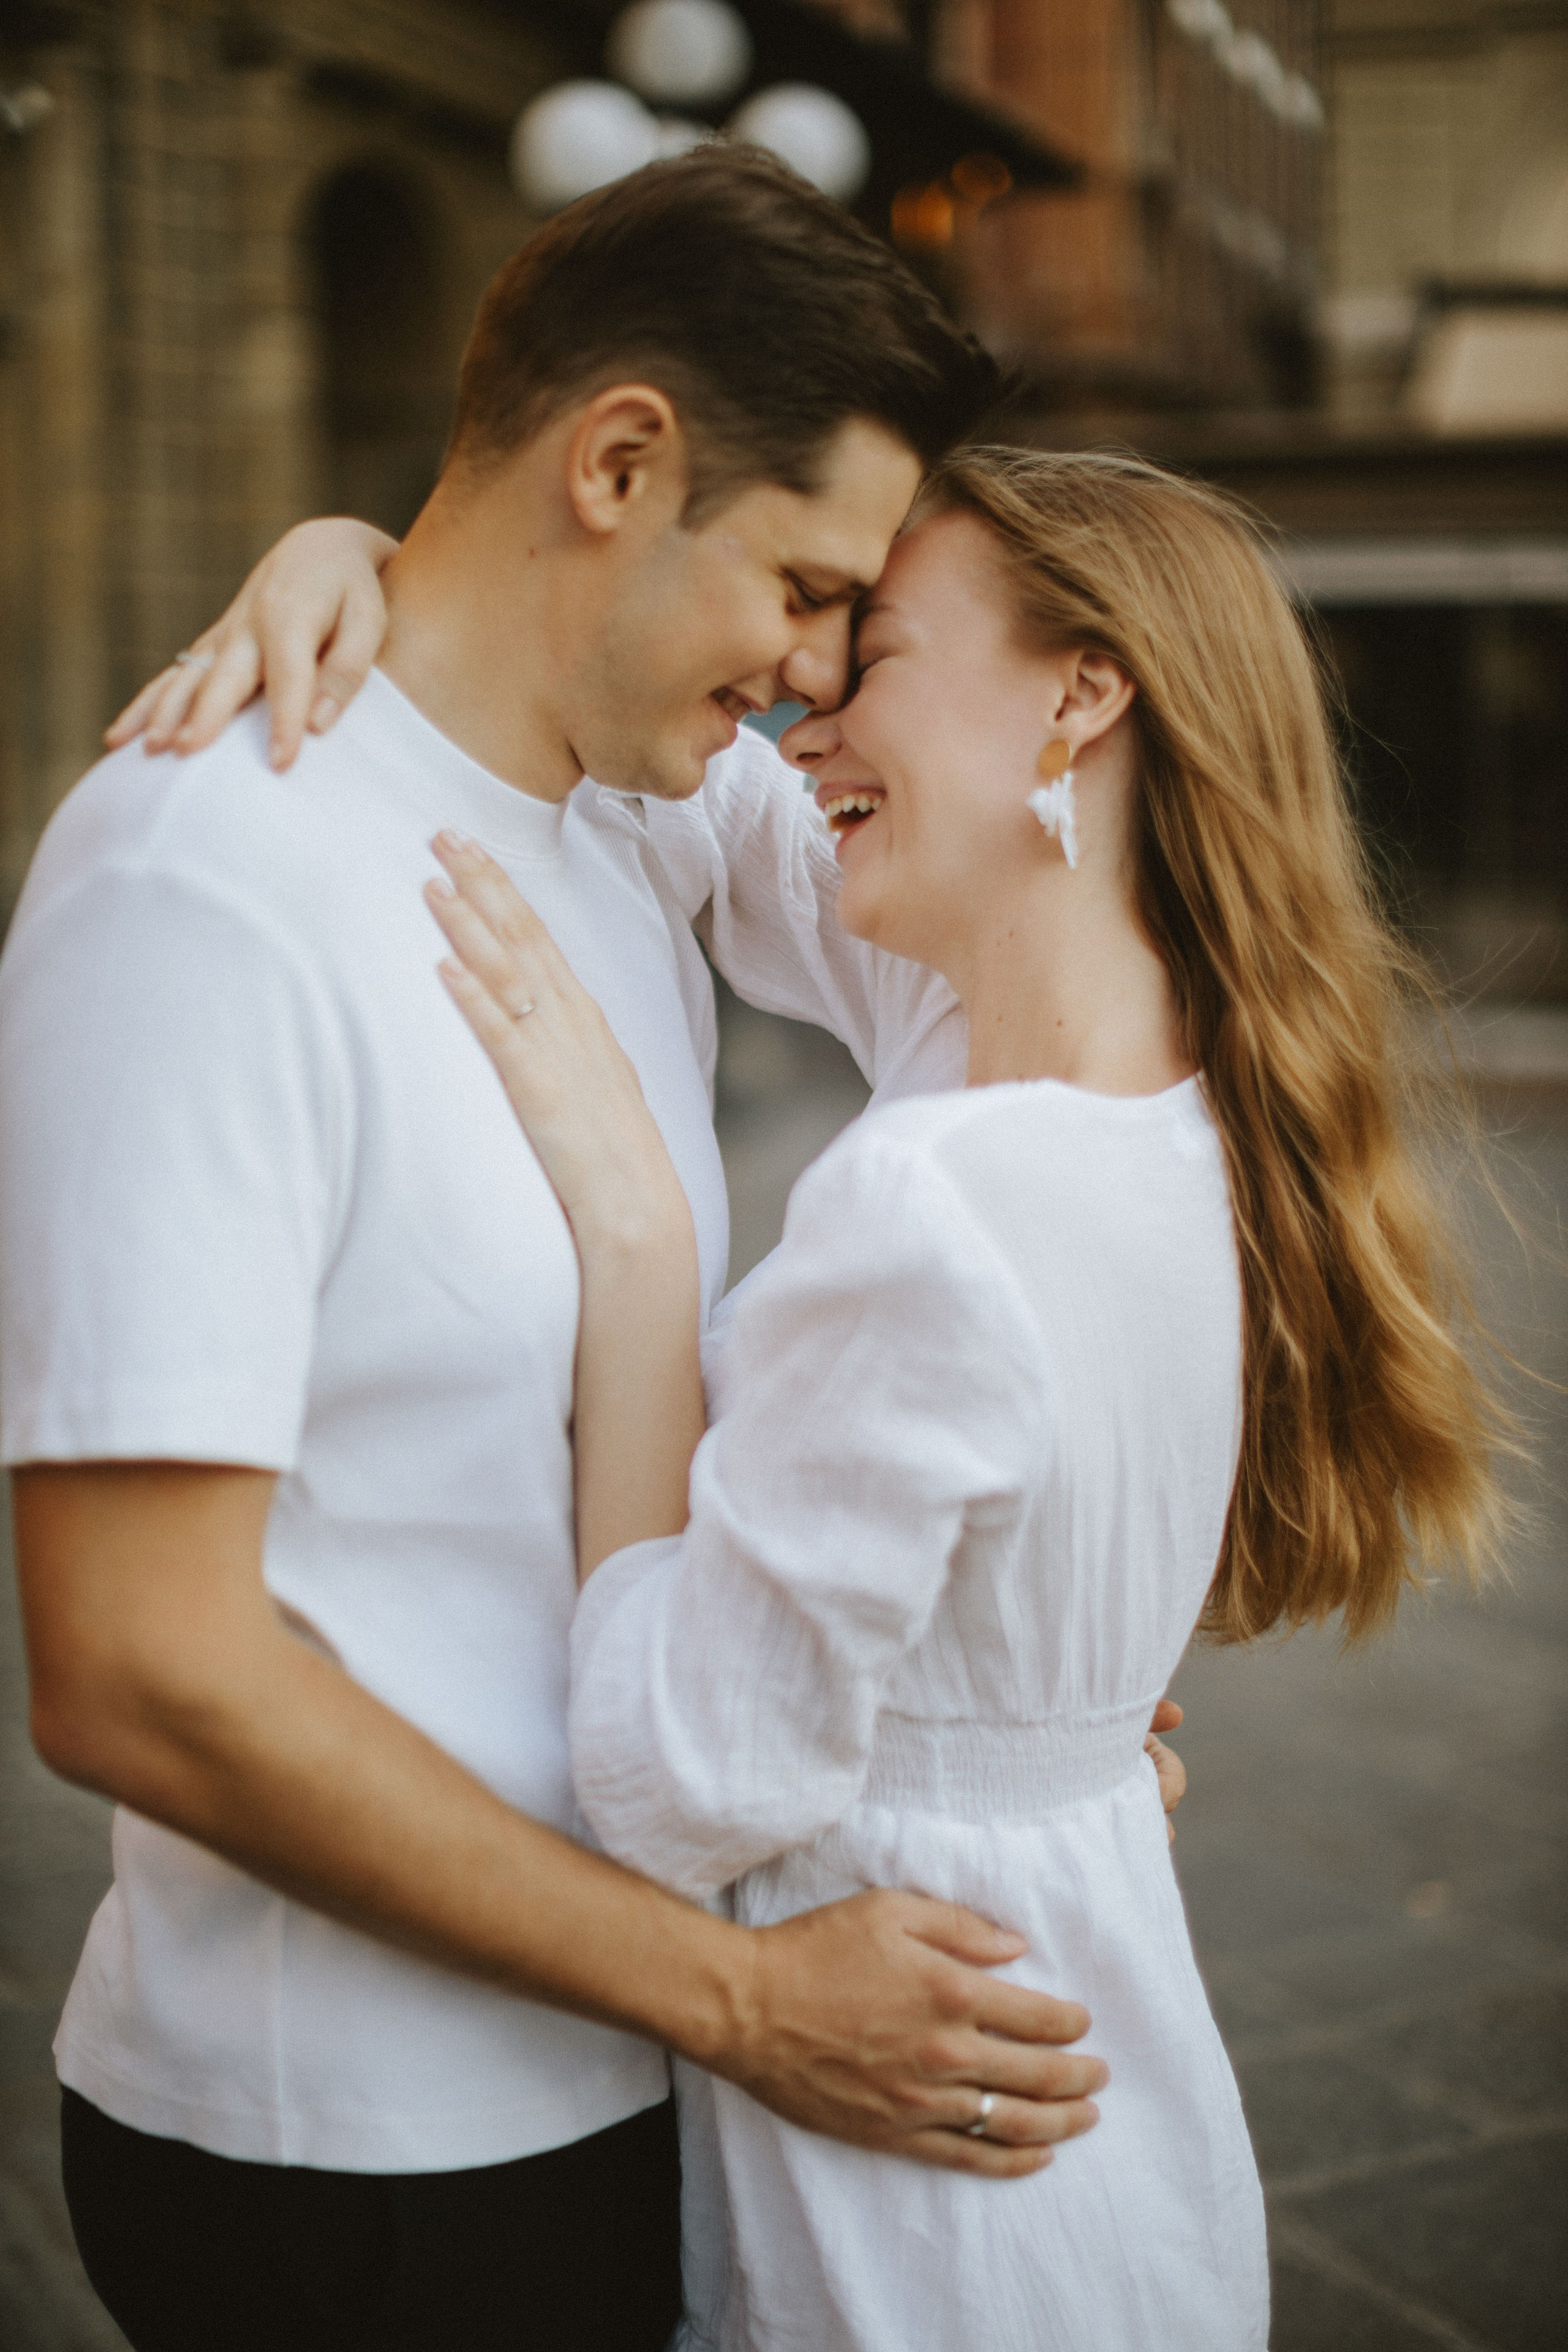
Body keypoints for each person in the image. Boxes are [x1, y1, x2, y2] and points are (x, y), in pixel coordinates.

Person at [1, 154, 1125, 2352]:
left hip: (622, 2074)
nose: (814, 677)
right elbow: (135, 1671)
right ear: (619, 462)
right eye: (804, 588)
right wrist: (747, 1998)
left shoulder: (635, 810)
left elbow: (1047, 950)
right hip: (355, 2163)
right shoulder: (194, 881)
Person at [395, 448, 1510, 2350]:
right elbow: (715, 789)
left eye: (874, 651)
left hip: (921, 2206)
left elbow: (678, 1775)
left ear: (1082, 692)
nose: (807, 709)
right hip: (1099, 2105)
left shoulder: (944, 1193)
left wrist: (644, 1259)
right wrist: (384, 575)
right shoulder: (1190, 1106)